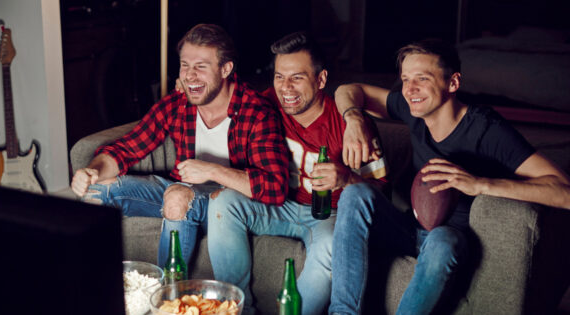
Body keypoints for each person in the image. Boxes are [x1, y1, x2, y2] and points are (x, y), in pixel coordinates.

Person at [330, 38, 570, 315]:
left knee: (443, 240)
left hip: (451, 241)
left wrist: (481, 184)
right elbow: (350, 89)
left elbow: (564, 192)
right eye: (405, 79)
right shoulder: (413, 109)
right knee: (355, 193)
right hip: (409, 229)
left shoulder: (486, 130)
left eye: (422, 78)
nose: (409, 90)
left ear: (453, 83)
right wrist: (354, 119)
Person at [70, 24, 290, 268]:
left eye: (200, 67)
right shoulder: (177, 104)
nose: (189, 75)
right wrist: (93, 171)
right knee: (96, 191)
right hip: (182, 189)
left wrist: (211, 171)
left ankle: (169, 297)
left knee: (176, 197)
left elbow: (275, 188)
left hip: (227, 206)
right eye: (185, 65)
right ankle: (94, 285)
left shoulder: (256, 112)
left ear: (226, 68)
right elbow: (127, 148)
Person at [205, 32, 388, 315]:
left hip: (330, 216)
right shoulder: (267, 105)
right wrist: (191, 85)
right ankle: (236, 309)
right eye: (279, 77)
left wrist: (347, 178)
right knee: (223, 203)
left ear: (321, 80)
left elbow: (380, 197)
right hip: (279, 207)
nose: (286, 88)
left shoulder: (350, 125)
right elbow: (221, 96)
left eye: (297, 77)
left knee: (330, 243)